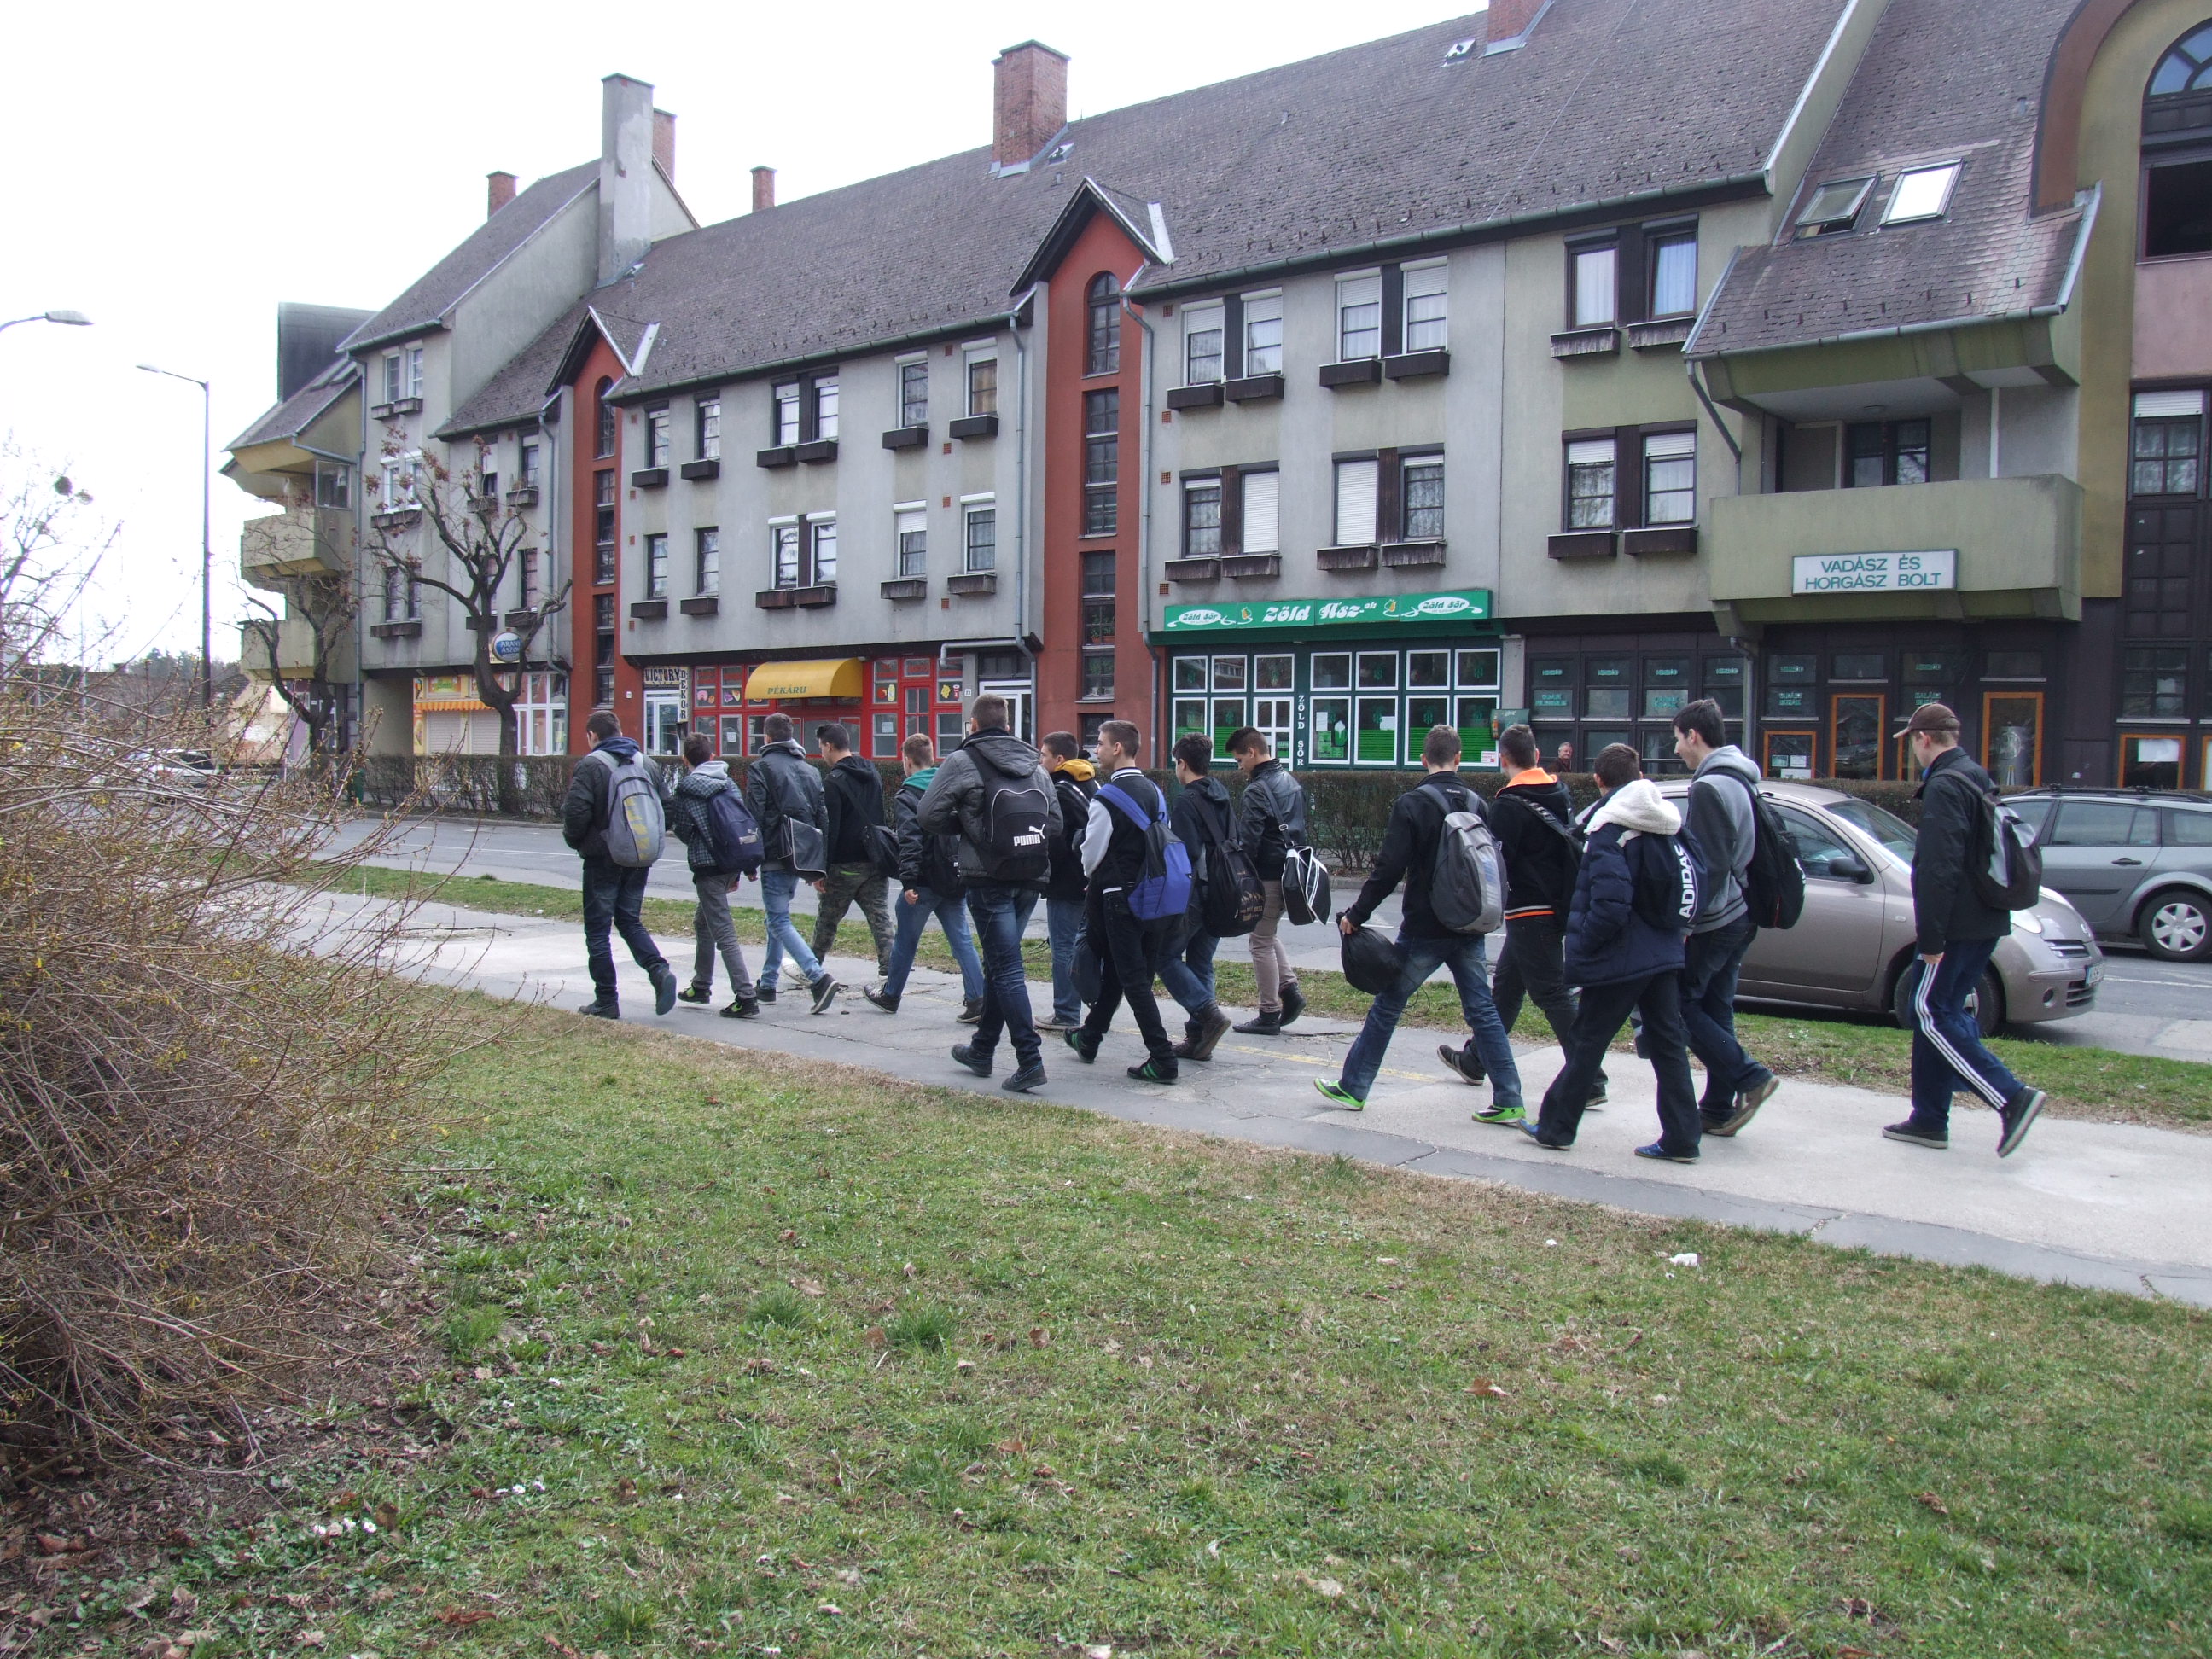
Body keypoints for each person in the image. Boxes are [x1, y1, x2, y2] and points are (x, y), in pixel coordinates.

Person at [1317, 726, 1522, 1118]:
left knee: (1388, 1004)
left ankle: (1354, 1087)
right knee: (1483, 1011)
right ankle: (1510, 1099)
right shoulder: (1479, 804)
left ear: (1423, 759)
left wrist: (1357, 915)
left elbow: (1389, 869)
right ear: (1458, 758)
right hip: (1470, 923)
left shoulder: (1412, 803)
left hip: (1425, 926)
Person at [1521, 744, 1702, 1162]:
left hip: (1622, 955)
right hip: (1663, 948)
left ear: (1599, 781)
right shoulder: (1669, 822)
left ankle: (1556, 1127)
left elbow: (1608, 904)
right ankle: (1682, 1137)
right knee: (1668, 1043)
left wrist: (1586, 946)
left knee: (1587, 1040)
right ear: (1639, 776)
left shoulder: (1609, 829)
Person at [1887, 702, 2046, 1156]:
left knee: (1929, 1011)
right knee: (1942, 1011)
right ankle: (1929, 1119)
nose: (1912, 750)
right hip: (1985, 918)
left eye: (1911, 742)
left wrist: (1931, 939)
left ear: (1923, 738)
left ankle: (2011, 1097)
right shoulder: (1975, 776)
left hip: (1954, 926)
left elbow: (1939, 868)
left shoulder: (1944, 785)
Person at [917, 694, 1062, 1093]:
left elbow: (927, 814)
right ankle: (982, 1049)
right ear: (1009, 726)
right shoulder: (1035, 765)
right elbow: (1055, 824)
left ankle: (1030, 1060)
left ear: (974, 725)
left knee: (1006, 966)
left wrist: (970, 829)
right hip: (1031, 874)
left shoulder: (963, 761)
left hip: (987, 875)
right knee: (1002, 963)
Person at [1474, 724, 1605, 1104]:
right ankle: (1476, 1059)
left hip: (1528, 909)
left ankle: (1591, 1079)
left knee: (1553, 994)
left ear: (1503, 760)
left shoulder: (1507, 806)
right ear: (1535, 755)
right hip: (1556, 904)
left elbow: (1497, 865)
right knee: (1507, 988)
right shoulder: (1558, 792)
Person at [1673, 698, 1780, 1137]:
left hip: (1717, 918)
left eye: (1678, 739)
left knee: (1677, 1005)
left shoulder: (1709, 786)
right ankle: (1718, 1107)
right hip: (1742, 913)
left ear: (1693, 735)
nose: (1676, 748)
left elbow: (1709, 866)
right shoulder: (1741, 778)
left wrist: (1687, 923)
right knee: (1716, 1008)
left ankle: (1751, 1077)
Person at [1066, 720, 1180, 1083]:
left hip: (1118, 899)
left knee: (1132, 980)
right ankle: (1089, 1037)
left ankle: (1163, 1058)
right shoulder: (1155, 792)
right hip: (1155, 896)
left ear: (1117, 748)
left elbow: (1090, 857)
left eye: (1100, 744)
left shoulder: (1106, 797)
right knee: (1121, 973)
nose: (1096, 750)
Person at [560, 707, 677, 1020]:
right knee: (629, 919)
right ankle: (659, 970)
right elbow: (668, 808)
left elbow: (576, 814)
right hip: (640, 855)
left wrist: (580, 843)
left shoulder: (591, 765)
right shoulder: (647, 763)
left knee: (598, 930)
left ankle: (606, 999)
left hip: (603, 858)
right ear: (621, 731)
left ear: (592, 736)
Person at [864, 733, 987, 1018]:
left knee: (906, 940)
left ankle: (891, 994)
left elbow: (910, 840)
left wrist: (908, 880)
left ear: (907, 761)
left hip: (923, 880)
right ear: (932, 759)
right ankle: (977, 998)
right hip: (954, 875)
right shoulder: (949, 787)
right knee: (961, 940)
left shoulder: (908, 795)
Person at [742, 712, 840, 1014]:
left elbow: (754, 817)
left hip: (775, 852)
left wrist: (749, 860)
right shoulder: (810, 770)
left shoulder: (761, 768)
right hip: (801, 855)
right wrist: (820, 863)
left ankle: (817, 977)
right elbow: (822, 818)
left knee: (778, 920)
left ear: (767, 737)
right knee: (776, 918)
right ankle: (768, 983)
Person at [666, 732, 759, 1018]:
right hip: (732, 861)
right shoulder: (728, 782)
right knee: (703, 921)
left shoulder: (686, 789)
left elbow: (682, 829)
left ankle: (745, 996)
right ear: (712, 756)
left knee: (723, 931)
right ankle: (701, 984)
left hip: (708, 866)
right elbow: (740, 821)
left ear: (685, 760)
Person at [1227, 726, 1307, 1034]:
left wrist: (1240, 875)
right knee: (1268, 933)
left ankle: (1269, 1013)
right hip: (1291, 874)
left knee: (1259, 941)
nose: (1239, 767)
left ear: (1252, 752)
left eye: (1239, 760)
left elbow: (1250, 840)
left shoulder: (1257, 789)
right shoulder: (1290, 780)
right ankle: (1290, 990)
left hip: (1268, 875)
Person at [1161, 734, 1235, 1062]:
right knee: (1201, 962)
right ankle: (1199, 1039)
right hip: (1222, 892)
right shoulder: (1222, 794)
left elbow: (1186, 853)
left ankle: (1208, 1014)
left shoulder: (1185, 801)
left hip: (1195, 894)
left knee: (1164, 957)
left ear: (1182, 764)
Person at [811, 723, 896, 981]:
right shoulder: (872, 772)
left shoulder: (833, 781)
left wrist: (822, 869)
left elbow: (831, 829)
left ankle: (812, 966)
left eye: (821, 748)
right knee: (880, 917)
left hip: (844, 863)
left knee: (828, 919)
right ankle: (890, 969)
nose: (821, 754)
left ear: (829, 746)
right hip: (875, 857)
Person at [1039, 731, 1097, 1033]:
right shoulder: (1090, 783)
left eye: (1043, 756)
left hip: (1066, 881)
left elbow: (1056, 841)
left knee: (1064, 947)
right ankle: (1097, 1006)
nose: (1040, 761)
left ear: (1059, 759)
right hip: (1090, 878)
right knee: (1088, 945)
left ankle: (1065, 1012)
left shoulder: (1058, 790)